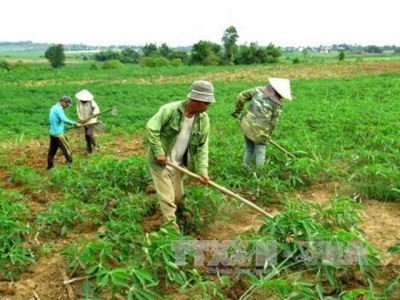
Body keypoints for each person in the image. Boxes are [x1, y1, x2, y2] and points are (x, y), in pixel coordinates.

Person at [145, 80, 215, 232]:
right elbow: (152, 129)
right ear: (195, 100)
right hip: (160, 162)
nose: (208, 107)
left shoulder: (203, 119)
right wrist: (159, 152)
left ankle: (182, 216)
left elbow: (203, 146)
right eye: (206, 103)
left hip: (179, 163)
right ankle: (172, 232)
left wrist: (203, 171)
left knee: (178, 197)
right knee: (168, 199)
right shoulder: (169, 110)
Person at [231, 77, 292, 168]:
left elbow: (241, 96)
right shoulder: (277, 105)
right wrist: (268, 135)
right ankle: (260, 176)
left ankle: (245, 168)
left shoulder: (257, 90)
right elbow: (273, 123)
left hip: (246, 124)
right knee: (260, 153)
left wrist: (237, 111)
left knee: (249, 149)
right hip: (260, 131)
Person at [47, 96, 82, 170]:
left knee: (52, 150)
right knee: (66, 149)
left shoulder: (53, 107)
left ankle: (50, 167)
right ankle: (70, 166)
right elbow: (64, 119)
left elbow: (53, 120)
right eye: (67, 105)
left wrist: (61, 128)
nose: (67, 107)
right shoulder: (59, 109)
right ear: (62, 102)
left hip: (52, 132)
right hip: (58, 134)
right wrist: (74, 123)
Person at [75, 89, 100, 153]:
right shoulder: (79, 102)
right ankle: (89, 149)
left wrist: (94, 113)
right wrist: (81, 118)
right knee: (86, 135)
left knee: (89, 133)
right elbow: (78, 111)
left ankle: (95, 146)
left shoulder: (91, 102)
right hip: (84, 121)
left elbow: (97, 109)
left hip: (91, 120)